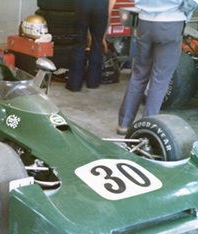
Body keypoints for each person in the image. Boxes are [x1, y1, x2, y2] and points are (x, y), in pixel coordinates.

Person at [117, 0, 198, 135]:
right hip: (171, 22)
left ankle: (123, 124)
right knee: (160, 79)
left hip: (145, 22)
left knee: (139, 74)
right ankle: (147, 127)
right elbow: (191, 3)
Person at [66, 0, 116, 92]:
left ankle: (74, 84)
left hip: (82, 5)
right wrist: (103, 37)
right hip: (101, 6)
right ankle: (93, 82)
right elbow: (110, 8)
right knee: (97, 43)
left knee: (79, 44)